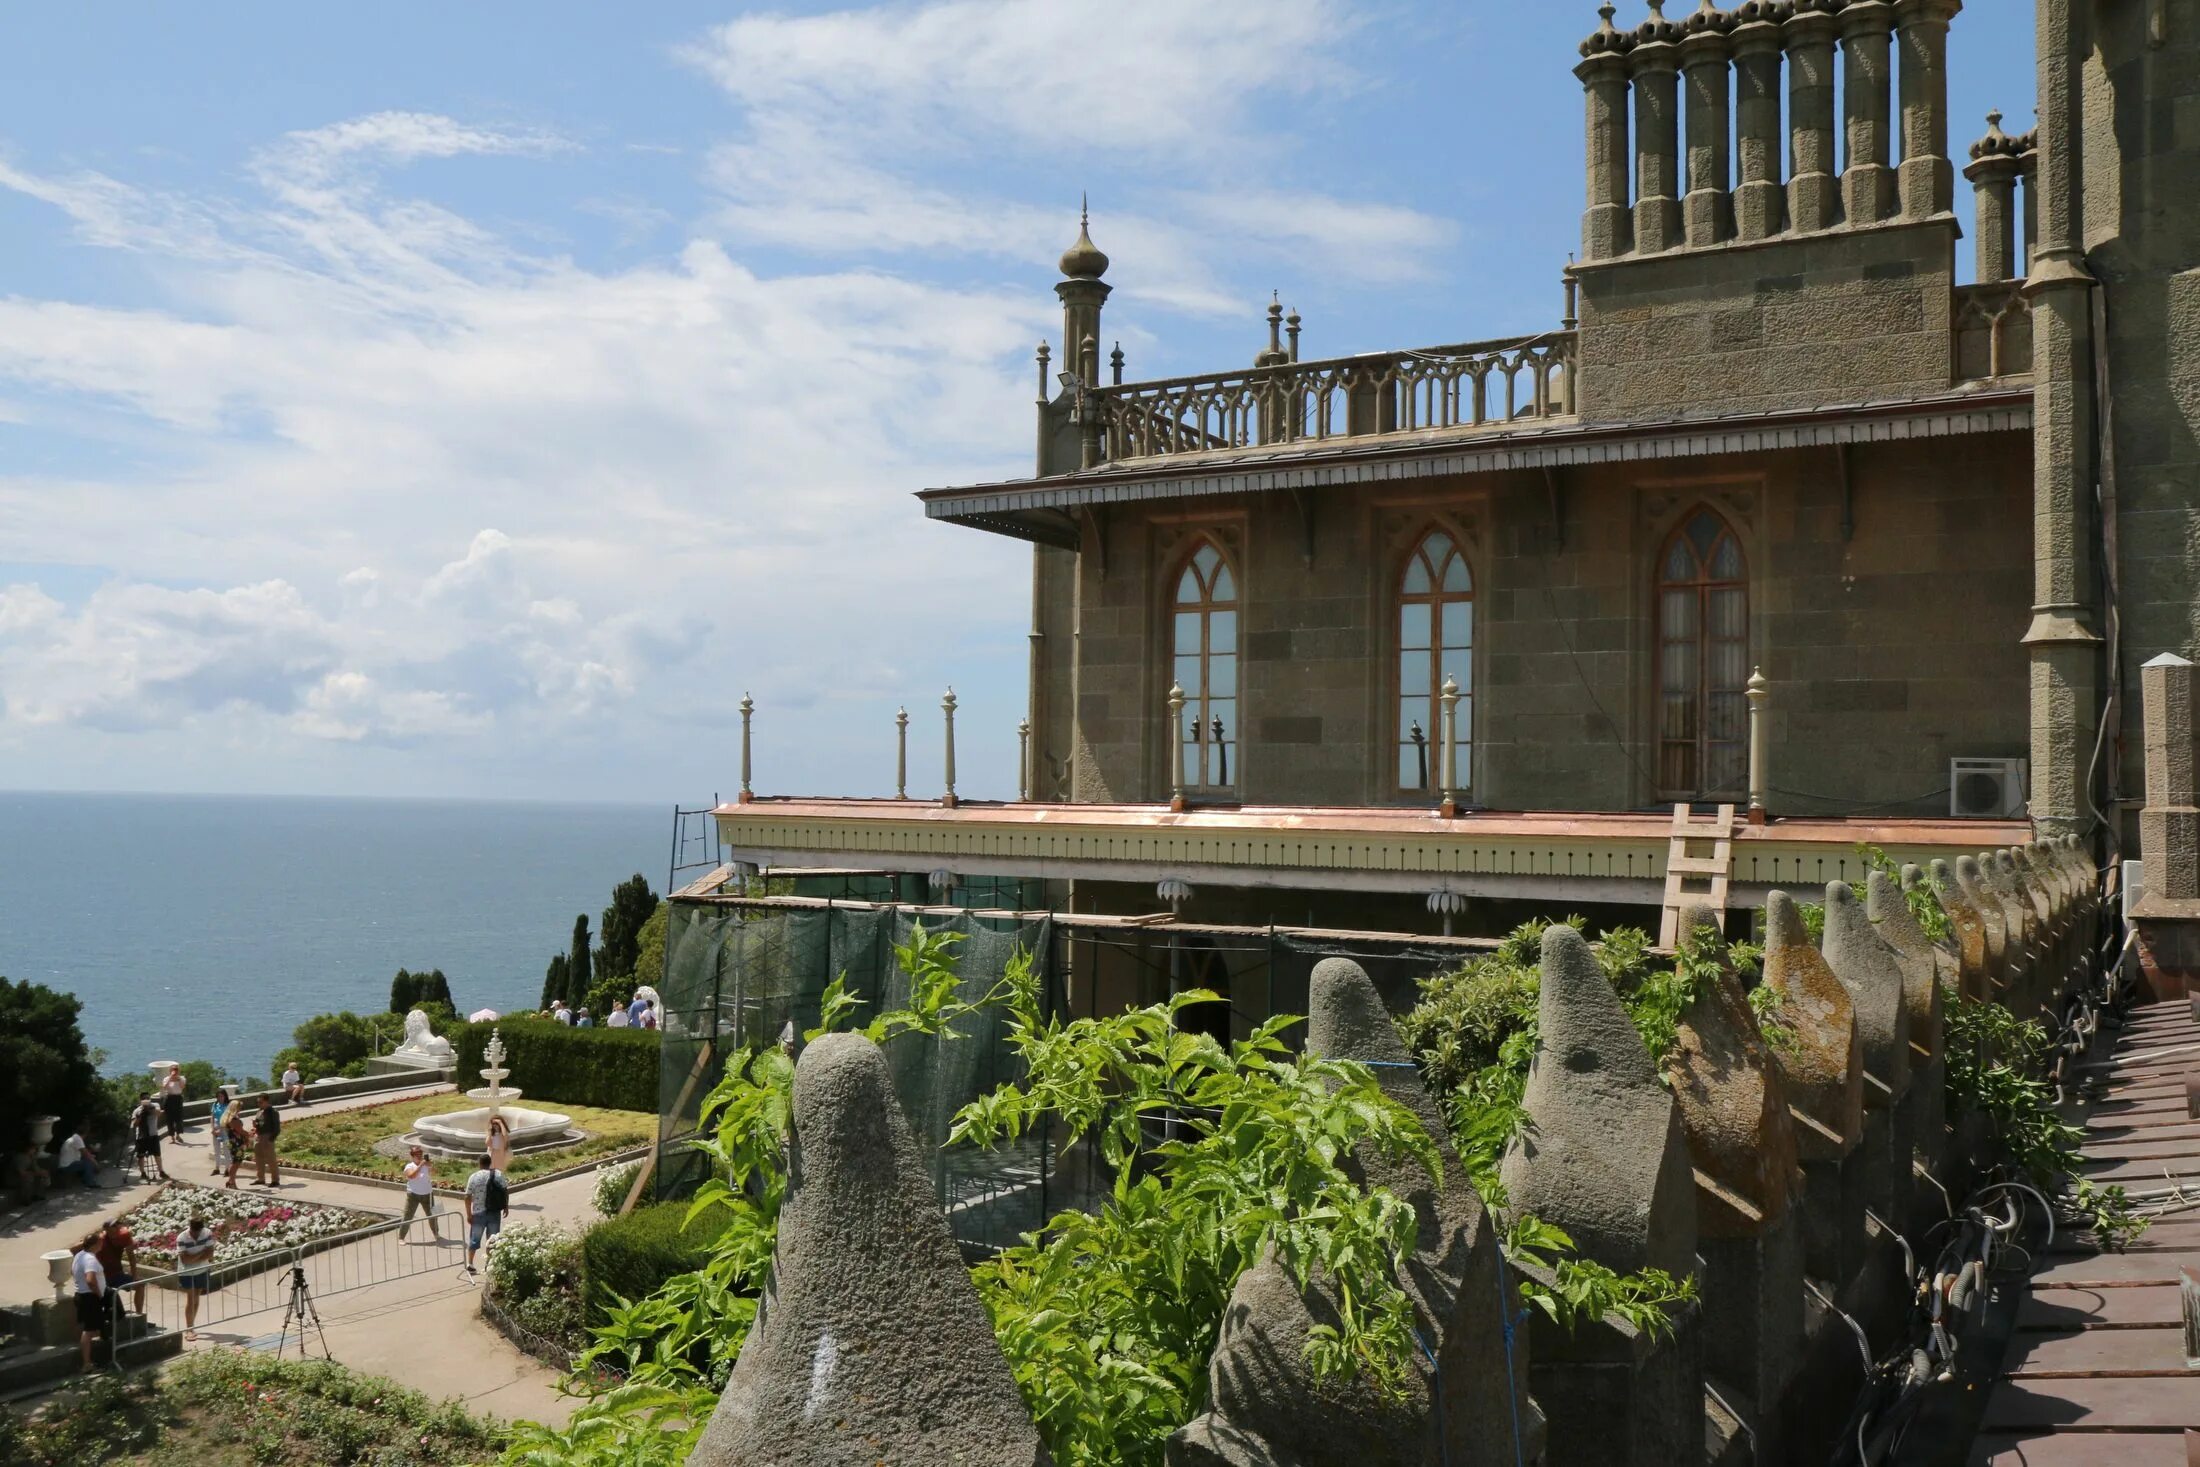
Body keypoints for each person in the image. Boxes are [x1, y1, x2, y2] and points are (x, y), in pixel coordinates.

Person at [461, 1152, 507, 1275]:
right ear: (490, 1163)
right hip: (494, 1212)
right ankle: (489, 1265)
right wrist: (506, 1207)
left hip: (478, 1213)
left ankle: (470, 1264)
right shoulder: (498, 1174)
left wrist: (469, 1214)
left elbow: (467, 1196)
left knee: (475, 1239)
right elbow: (505, 1191)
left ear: (480, 1164)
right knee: (492, 1240)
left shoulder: (474, 1177)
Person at [176, 1211, 219, 1341]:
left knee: (196, 1297)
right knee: (191, 1298)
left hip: (202, 1270)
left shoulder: (207, 1233)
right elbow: (186, 1261)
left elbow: (210, 1254)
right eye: (194, 1231)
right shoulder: (182, 1238)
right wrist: (201, 1254)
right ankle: (189, 1329)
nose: (196, 1234)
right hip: (187, 1272)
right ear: (190, 1228)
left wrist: (194, 1257)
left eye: (198, 1231)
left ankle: (192, 1325)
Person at [71, 1229, 108, 1372]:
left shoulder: (80, 1255)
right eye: (100, 1242)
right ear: (95, 1244)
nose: (102, 1244)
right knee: (89, 1330)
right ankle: (87, 1364)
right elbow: (91, 1281)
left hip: (81, 1295)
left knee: (92, 1328)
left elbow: (72, 1272)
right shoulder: (90, 1259)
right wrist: (100, 1296)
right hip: (90, 1297)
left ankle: (90, 1358)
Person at [93, 1216, 145, 1317]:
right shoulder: (100, 1241)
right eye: (113, 1226)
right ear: (106, 1229)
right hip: (103, 1277)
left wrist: (134, 1276)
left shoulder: (124, 1236)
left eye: (118, 1224)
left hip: (117, 1274)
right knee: (104, 1296)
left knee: (140, 1284)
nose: (117, 1227)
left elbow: (131, 1256)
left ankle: (139, 1315)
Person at [399, 1145, 440, 1243]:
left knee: (432, 1215)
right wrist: (420, 1166)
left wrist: (430, 1166)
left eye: (420, 1154)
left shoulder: (426, 1165)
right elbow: (411, 1176)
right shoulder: (409, 1166)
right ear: (412, 1156)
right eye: (417, 1155)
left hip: (428, 1194)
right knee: (408, 1216)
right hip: (413, 1194)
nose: (419, 1156)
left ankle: (436, 1233)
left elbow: (435, 1173)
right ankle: (401, 1237)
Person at [130, 1095, 167, 1182]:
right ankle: (143, 1173)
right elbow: (133, 1125)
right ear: (140, 1101)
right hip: (141, 1136)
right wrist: (139, 1116)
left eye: (147, 1099)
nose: (145, 1101)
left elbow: (159, 1113)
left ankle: (161, 1171)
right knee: (141, 1156)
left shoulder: (155, 1105)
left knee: (157, 1154)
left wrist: (150, 1109)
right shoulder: (137, 1110)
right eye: (143, 1100)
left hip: (153, 1134)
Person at [252, 1094, 282, 1187]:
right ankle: (260, 1178)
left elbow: (277, 1128)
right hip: (259, 1136)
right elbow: (259, 1123)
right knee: (259, 1158)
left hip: (268, 1136)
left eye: (261, 1102)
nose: (259, 1104)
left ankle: (275, 1180)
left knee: (271, 1159)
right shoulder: (260, 1111)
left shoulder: (273, 1112)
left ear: (266, 1101)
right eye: (258, 1102)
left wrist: (271, 1138)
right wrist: (255, 1124)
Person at [8, 1138, 50, 1204]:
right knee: (29, 1178)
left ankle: (38, 1195)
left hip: (23, 1176)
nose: (35, 1150)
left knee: (41, 1175)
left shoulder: (31, 1157)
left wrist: (42, 1172)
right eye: (33, 1149)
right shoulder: (21, 1157)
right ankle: (26, 1199)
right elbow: (21, 1173)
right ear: (27, 1149)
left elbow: (36, 1169)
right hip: (13, 1179)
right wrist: (36, 1173)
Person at [219, 1109, 247, 1189]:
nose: (240, 1109)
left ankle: (231, 1181)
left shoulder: (228, 1118)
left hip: (231, 1142)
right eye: (239, 1107)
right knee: (236, 1162)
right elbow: (240, 1130)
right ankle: (231, 1182)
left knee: (235, 1161)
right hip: (236, 1142)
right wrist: (248, 1134)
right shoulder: (233, 1119)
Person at [159, 1064, 187, 1142]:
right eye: (173, 1070)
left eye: (176, 1070)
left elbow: (182, 1087)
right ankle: (172, 1137)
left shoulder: (182, 1078)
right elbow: (165, 1087)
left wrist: (178, 1078)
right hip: (169, 1098)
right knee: (169, 1119)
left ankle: (178, 1135)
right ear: (170, 1071)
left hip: (178, 1098)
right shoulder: (166, 1078)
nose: (175, 1071)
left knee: (178, 1118)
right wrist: (171, 1078)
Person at [209, 1087, 231, 1176]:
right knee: (216, 1149)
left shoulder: (228, 1105)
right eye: (218, 1096)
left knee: (226, 1149)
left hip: (225, 1128)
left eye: (222, 1096)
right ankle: (217, 1168)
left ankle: (227, 1169)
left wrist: (221, 1129)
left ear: (225, 1096)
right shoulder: (215, 1104)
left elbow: (229, 1118)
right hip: (216, 1127)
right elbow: (212, 1116)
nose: (220, 1098)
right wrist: (213, 1129)